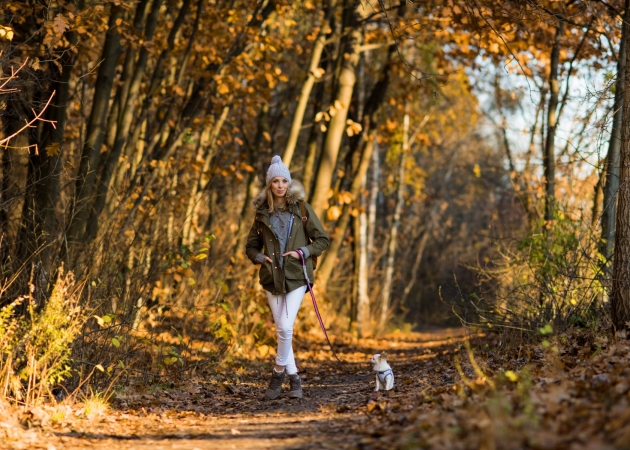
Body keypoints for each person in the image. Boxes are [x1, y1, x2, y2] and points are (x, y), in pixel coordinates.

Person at [246, 155, 330, 399]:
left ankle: (277, 375)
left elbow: (323, 239)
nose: (280, 185)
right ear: (269, 185)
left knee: (285, 326)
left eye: (284, 180)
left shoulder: (301, 208)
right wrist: (260, 258)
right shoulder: (262, 214)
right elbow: (250, 247)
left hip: (296, 275)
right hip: (272, 278)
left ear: (288, 183)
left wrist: (302, 251)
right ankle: (295, 381)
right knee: (283, 331)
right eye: (276, 181)